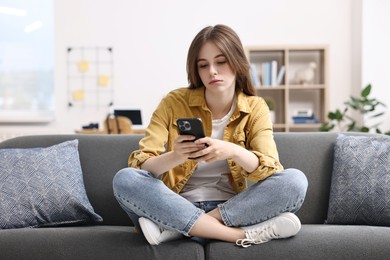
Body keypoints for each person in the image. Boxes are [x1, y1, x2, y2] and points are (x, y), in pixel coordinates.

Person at [113, 24, 308, 248]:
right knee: (125, 179)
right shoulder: (173, 102)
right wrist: (176, 156)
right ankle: (238, 235)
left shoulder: (255, 107)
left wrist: (233, 150)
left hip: (232, 207)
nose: (212, 71)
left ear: (237, 62)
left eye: (221, 62)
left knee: (295, 182)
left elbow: (272, 169)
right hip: (174, 203)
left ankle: (178, 229)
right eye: (203, 65)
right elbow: (141, 167)